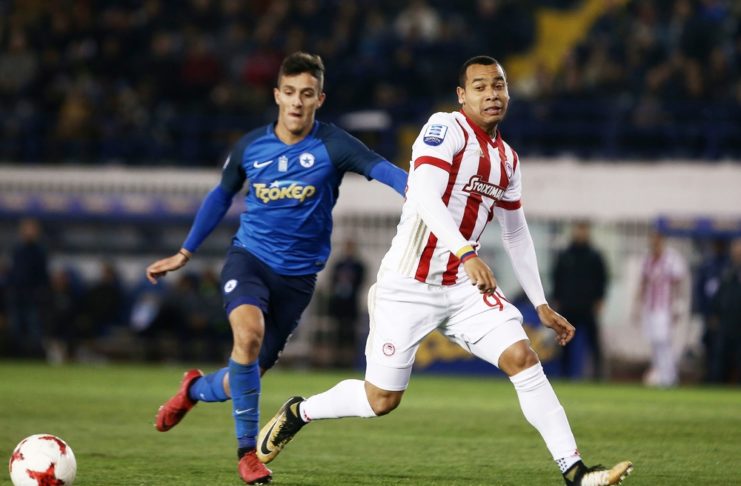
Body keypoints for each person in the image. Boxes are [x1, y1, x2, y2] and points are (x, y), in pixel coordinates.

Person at [257, 56, 632, 486]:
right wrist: (466, 252)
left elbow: (515, 233)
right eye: (480, 86)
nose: (491, 94)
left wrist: (541, 303)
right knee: (381, 400)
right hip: (408, 284)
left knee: (523, 358)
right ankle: (300, 411)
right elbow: (423, 195)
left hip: (462, 288)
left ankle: (576, 472)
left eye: (498, 85)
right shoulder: (444, 129)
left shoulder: (508, 160)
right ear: (462, 96)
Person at [145, 52, 407, 485]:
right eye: (289, 92)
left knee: (241, 376)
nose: (297, 101)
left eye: (307, 93)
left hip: (298, 280)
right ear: (277, 96)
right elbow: (221, 195)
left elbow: (386, 172)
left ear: (320, 98)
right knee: (247, 337)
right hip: (249, 260)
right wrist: (185, 252)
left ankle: (191, 389)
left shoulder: (334, 144)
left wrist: (423, 196)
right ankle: (247, 456)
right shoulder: (251, 146)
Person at [552, 221, 608, 380]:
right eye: (579, 229)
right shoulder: (565, 255)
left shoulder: (595, 256)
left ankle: (598, 376)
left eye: (584, 229)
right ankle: (564, 375)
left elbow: (602, 280)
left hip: (588, 306)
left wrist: (600, 299)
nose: (581, 233)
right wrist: (557, 300)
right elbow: (557, 278)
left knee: (593, 343)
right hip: (568, 306)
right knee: (565, 342)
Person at [635, 231, 687, 388]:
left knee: (664, 341)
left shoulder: (672, 260)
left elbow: (678, 284)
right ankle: (660, 373)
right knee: (654, 342)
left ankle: (670, 376)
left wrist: (678, 305)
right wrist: (637, 305)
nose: (654, 244)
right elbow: (643, 282)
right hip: (650, 307)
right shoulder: (647, 260)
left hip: (665, 307)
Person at [6, 218, 50, 358]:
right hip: (16, 294)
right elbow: (13, 272)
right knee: (16, 326)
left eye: (32, 230)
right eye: (27, 229)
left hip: (32, 296)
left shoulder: (39, 251)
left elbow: (43, 275)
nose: (29, 233)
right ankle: (16, 354)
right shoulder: (17, 250)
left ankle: (35, 355)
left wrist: (40, 292)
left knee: (34, 326)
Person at [327, 239, 366, 367]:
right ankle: (336, 360)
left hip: (351, 305)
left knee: (350, 333)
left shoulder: (358, 265)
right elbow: (332, 280)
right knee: (337, 332)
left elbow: (360, 282)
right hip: (339, 304)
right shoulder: (339, 264)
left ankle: (349, 360)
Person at [708, 237, 741, 384]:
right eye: (735, 253)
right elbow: (719, 296)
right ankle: (717, 385)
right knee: (720, 356)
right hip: (726, 322)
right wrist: (714, 314)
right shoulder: (727, 272)